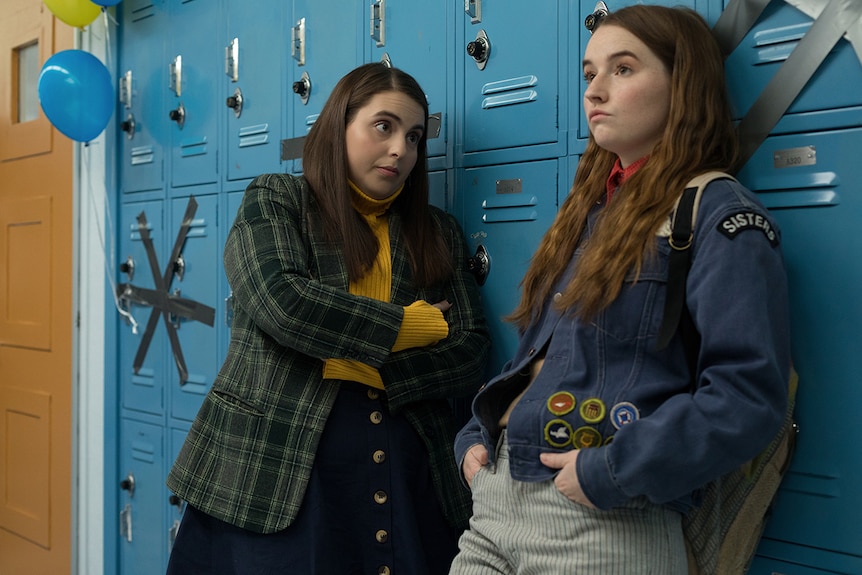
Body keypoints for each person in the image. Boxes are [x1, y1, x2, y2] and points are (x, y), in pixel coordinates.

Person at [449, 5, 791, 574]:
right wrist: (475, 433)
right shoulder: (588, 211)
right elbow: (543, 358)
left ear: (682, 87)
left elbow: (747, 396)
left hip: (602, 519)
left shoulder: (715, 212)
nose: (595, 91)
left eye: (623, 69)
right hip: (496, 503)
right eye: (589, 74)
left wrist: (611, 470)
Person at [166, 62, 490, 575]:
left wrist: (370, 367)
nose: (400, 150)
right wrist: (409, 328)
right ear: (339, 125)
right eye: (383, 126)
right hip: (273, 466)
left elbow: (472, 350)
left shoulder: (437, 231)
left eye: (414, 137)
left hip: (408, 467)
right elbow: (283, 303)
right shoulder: (276, 199)